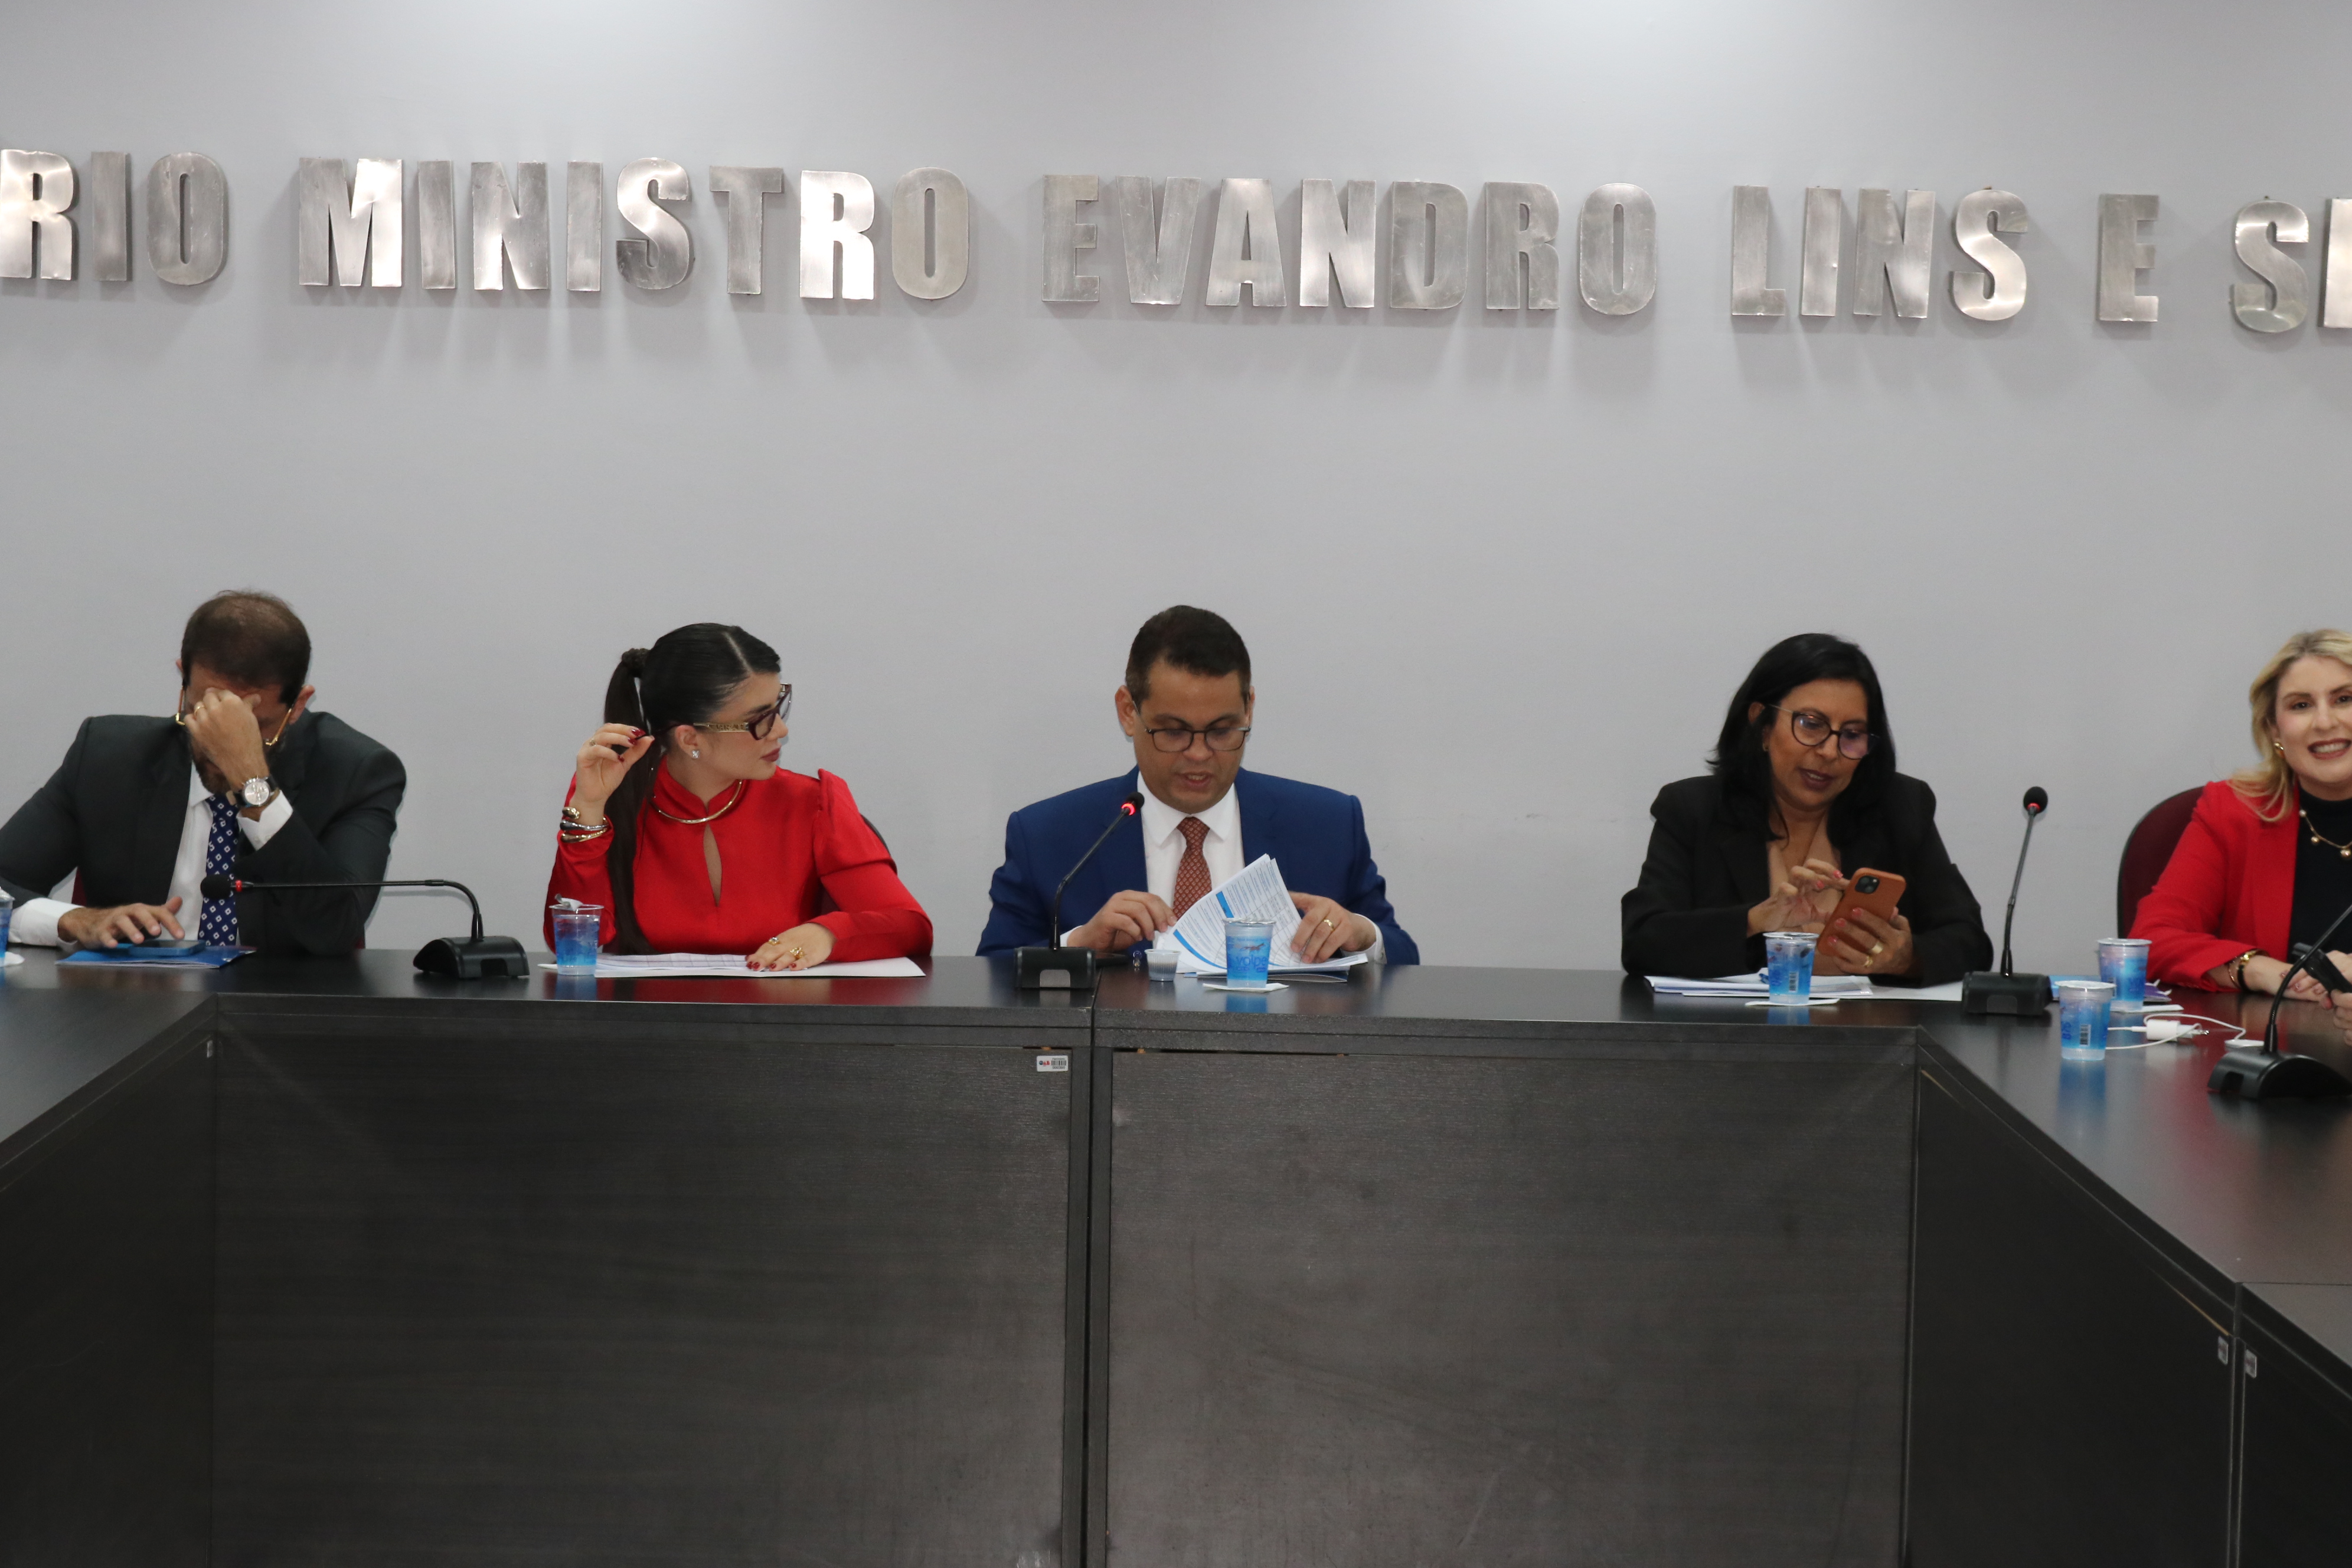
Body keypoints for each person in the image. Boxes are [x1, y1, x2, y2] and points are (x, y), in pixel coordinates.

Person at [978, 605, 1417, 962]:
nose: (1199, 754)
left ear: (1249, 709)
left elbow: (1403, 961)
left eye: (1222, 731)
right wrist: (1078, 945)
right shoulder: (1047, 836)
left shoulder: (1328, 826)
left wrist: (1362, 935)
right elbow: (990, 978)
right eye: (1173, 732)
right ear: (1129, 712)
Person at [0, 590, 406, 955]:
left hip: (280, 1005)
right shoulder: (107, 758)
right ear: (183, 681)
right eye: (205, 712)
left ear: (298, 705)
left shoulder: (357, 772)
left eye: (253, 725)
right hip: (135, 1002)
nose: (219, 745)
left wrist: (252, 782)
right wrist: (73, 920)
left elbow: (335, 930)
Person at [547, 623, 930, 969]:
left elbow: (910, 926)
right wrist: (589, 809)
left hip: (780, 1019)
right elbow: (575, 943)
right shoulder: (614, 800)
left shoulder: (812, 803)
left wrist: (828, 934)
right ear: (690, 739)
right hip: (646, 1020)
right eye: (759, 720)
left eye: (779, 707)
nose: (780, 731)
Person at [1621, 632, 1991, 985]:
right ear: (1762, 725)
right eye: (1811, 725)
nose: (1830, 752)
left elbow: (1971, 942)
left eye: (1852, 735)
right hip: (1736, 1028)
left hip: (1868, 1028)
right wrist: (1755, 921)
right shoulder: (1693, 810)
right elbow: (1643, 942)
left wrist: (1906, 959)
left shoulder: (1901, 807)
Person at [2132, 630, 2352, 997]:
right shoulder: (2233, 813)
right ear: (2274, 729)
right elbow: (2152, 938)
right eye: (2301, 705)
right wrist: (2259, 970)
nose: (2325, 722)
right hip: (2270, 1033)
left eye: (2345, 699)